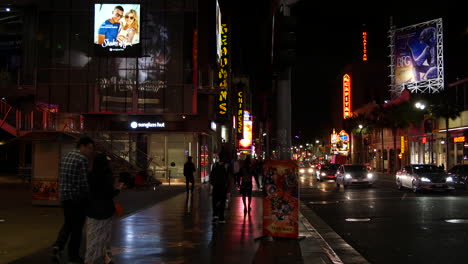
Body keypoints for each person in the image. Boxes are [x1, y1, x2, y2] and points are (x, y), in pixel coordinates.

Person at [51, 136, 95, 264]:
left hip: (64, 197)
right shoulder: (82, 159)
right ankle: (73, 256)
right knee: (77, 229)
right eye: (89, 148)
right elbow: (83, 182)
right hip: (77, 199)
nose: (90, 151)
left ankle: (58, 245)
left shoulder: (66, 156)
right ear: (82, 146)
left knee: (68, 223)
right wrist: (89, 195)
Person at [85, 153, 119, 264]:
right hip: (106, 210)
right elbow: (110, 193)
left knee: (92, 238)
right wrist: (118, 190)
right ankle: (106, 258)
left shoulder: (90, 176)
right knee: (105, 236)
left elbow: (87, 193)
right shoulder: (108, 177)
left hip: (92, 211)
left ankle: (89, 260)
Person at [210, 152, 229, 223]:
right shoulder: (226, 166)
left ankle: (215, 214)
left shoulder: (215, 165)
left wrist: (212, 183)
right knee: (222, 201)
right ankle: (221, 217)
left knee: (215, 200)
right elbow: (228, 177)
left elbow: (211, 175)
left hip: (216, 186)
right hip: (223, 186)